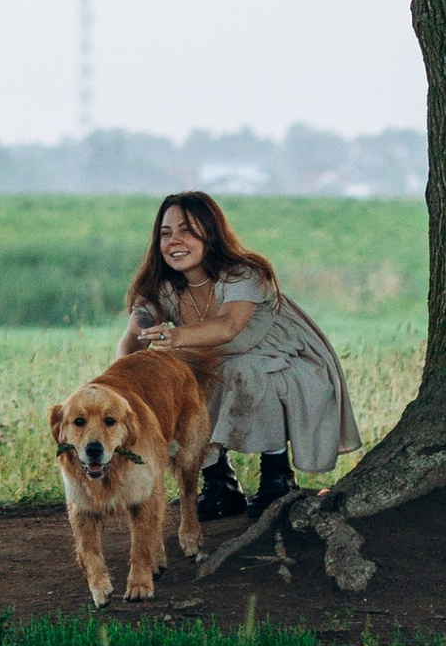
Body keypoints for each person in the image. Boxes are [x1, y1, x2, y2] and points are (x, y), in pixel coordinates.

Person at [119, 190, 359, 524]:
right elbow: (134, 337)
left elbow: (230, 326)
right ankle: (220, 483)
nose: (175, 241)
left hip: (283, 358)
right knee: (180, 377)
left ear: (210, 233)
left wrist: (175, 337)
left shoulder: (244, 273)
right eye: (166, 233)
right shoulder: (162, 285)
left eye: (187, 230)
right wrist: (120, 380)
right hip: (219, 358)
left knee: (245, 371)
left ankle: (278, 476)